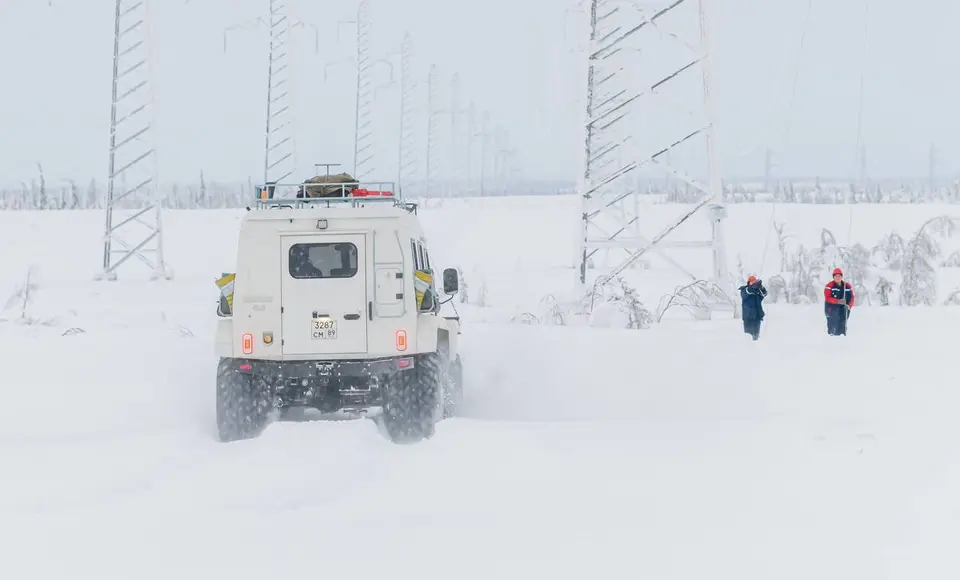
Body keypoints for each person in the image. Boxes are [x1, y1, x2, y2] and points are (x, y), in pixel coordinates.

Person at [824, 267, 855, 336]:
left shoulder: (847, 286)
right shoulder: (829, 286)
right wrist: (838, 301)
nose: (837, 278)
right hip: (831, 309)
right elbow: (828, 298)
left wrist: (849, 306)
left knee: (842, 324)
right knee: (833, 324)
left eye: (839, 276)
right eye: (836, 276)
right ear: (833, 277)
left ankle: (842, 338)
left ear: (841, 276)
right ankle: (832, 338)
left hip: (843, 309)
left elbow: (852, 297)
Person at [739, 275, 767, 341]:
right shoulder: (744, 290)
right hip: (748, 318)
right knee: (748, 337)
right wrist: (752, 287)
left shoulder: (757, 292)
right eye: (752, 282)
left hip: (757, 318)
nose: (753, 283)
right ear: (748, 282)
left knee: (756, 337)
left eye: (754, 282)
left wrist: (761, 287)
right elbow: (748, 291)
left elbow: (764, 294)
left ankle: (755, 350)